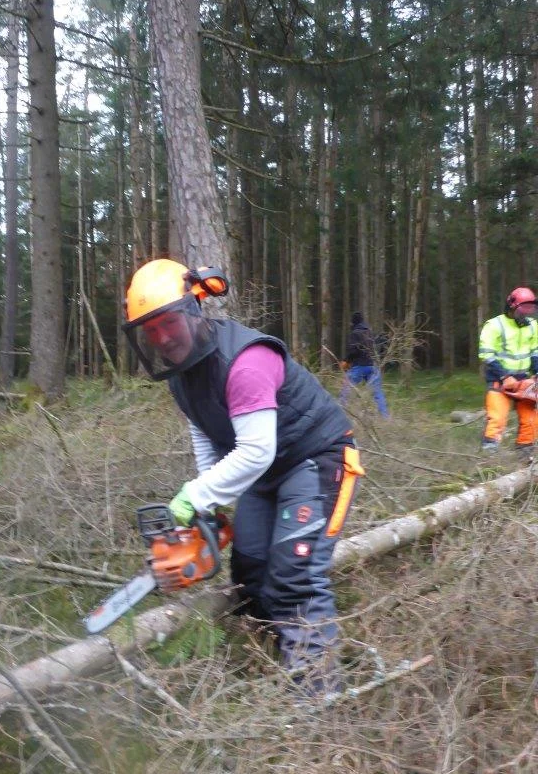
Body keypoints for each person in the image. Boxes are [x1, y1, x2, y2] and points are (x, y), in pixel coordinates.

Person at [123, 258, 365, 691]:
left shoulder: (246, 361)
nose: (161, 337)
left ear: (194, 310)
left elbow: (255, 450)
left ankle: (319, 694)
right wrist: (208, 503)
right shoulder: (183, 375)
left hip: (315, 458)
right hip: (268, 474)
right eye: (150, 330)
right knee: (251, 571)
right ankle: (275, 657)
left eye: (168, 323)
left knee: (295, 574)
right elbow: (205, 431)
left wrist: (193, 497)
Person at [478, 287, 538, 458]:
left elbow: (535, 352)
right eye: (524, 308)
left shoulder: (533, 326)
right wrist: (505, 376)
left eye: (530, 308)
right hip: (499, 380)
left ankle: (525, 459)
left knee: (531, 421)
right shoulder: (494, 325)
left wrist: (536, 372)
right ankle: (487, 461)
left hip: (525, 381)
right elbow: (486, 355)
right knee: (496, 420)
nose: (527, 312)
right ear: (512, 306)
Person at [338, 312, 390, 418]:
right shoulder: (369, 332)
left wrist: (346, 361)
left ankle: (340, 413)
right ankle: (385, 417)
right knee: (377, 392)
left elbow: (354, 351)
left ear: (353, 322)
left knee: (346, 389)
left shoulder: (355, 333)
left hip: (359, 367)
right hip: (372, 366)